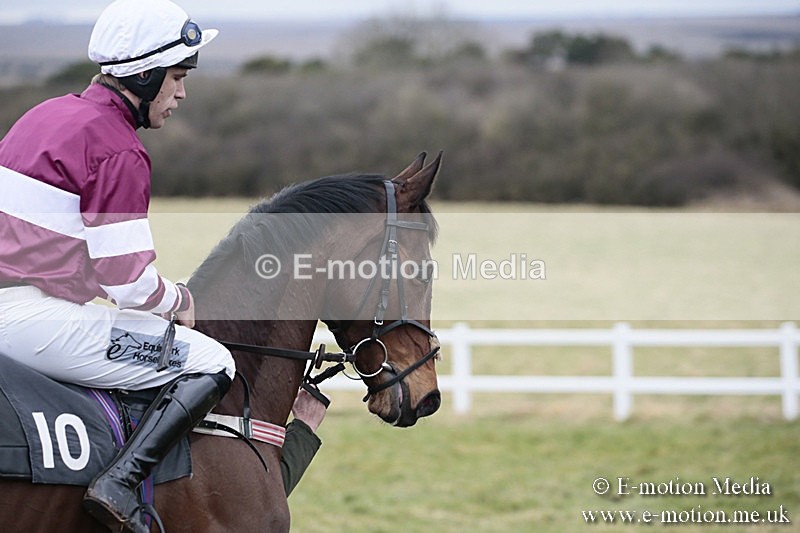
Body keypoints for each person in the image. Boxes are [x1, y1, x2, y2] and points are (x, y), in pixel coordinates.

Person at [0, 1, 236, 531]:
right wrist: (180, 300)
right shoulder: (118, 149)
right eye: (177, 77)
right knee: (212, 361)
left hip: (17, 307)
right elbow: (127, 283)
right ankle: (120, 484)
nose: (181, 93)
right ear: (146, 74)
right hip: (32, 322)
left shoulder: (45, 114)